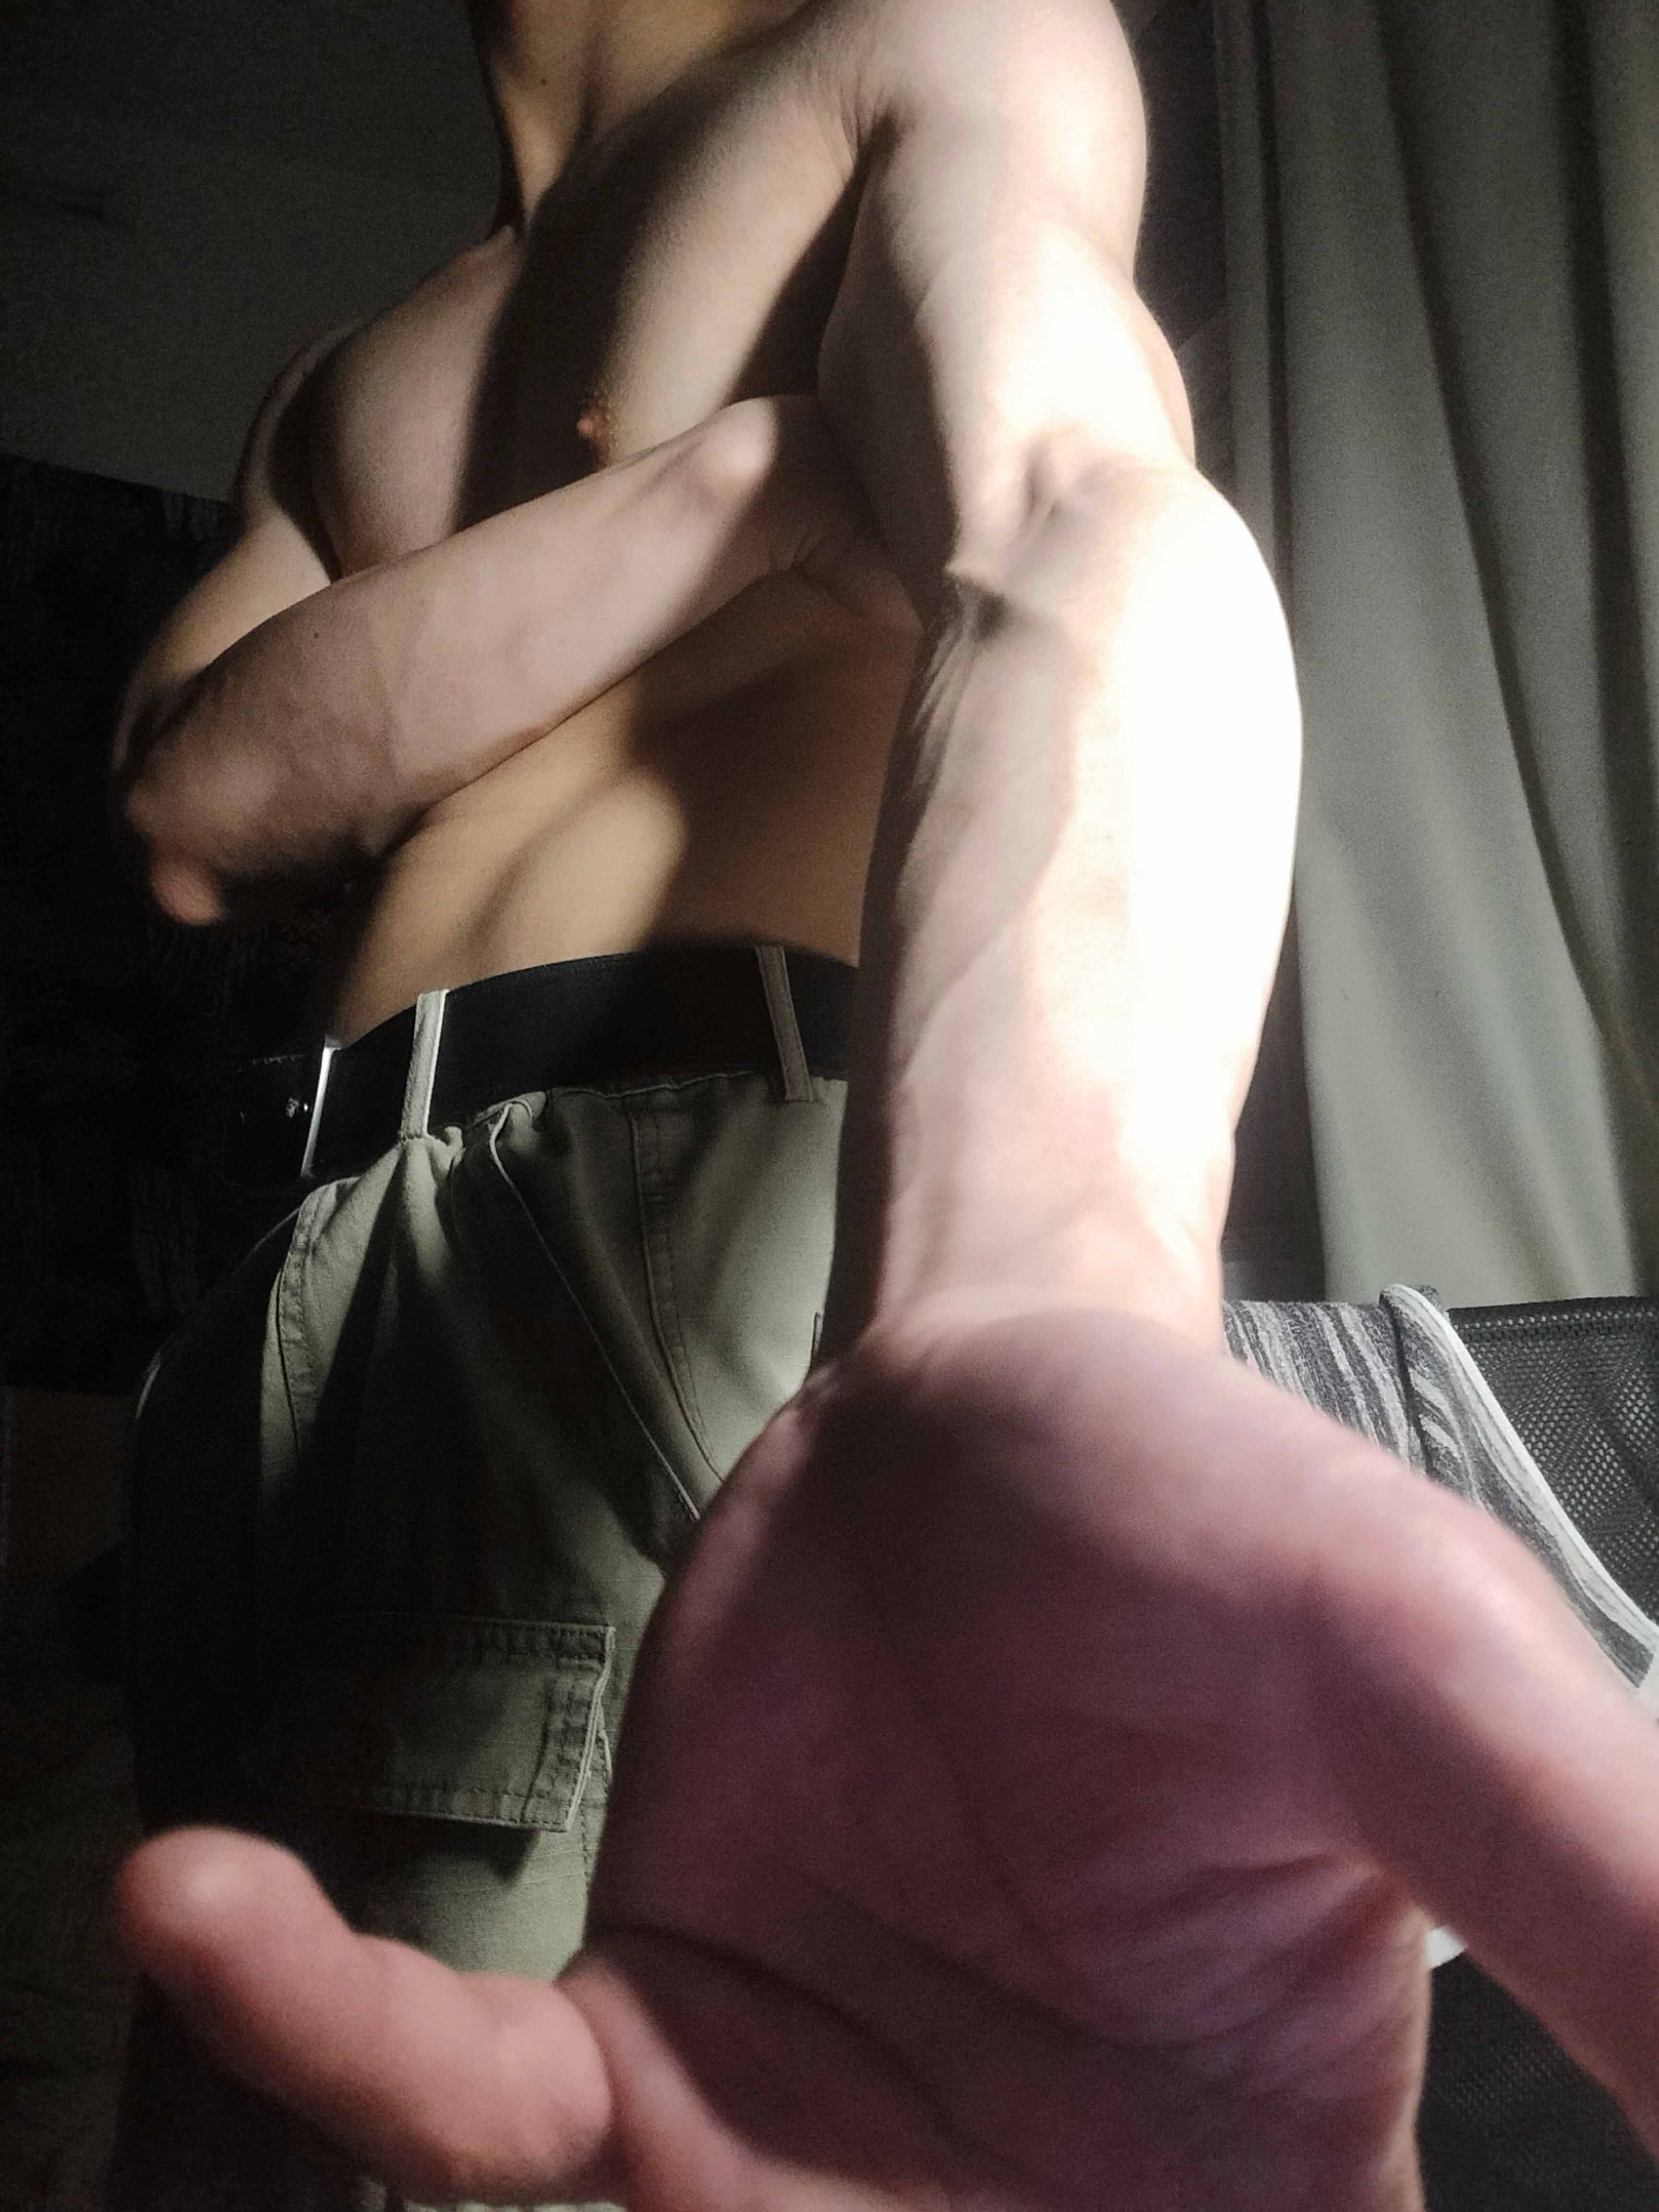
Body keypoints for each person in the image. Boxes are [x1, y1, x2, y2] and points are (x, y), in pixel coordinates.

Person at [106, 0, 1659, 2202]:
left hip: (656, 1236)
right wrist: (734, 488)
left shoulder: (938, 42)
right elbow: (195, 805)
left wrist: (1028, 1300)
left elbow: (1080, 520)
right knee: (273, 2103)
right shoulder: (355, 367)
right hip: (299, 1281)